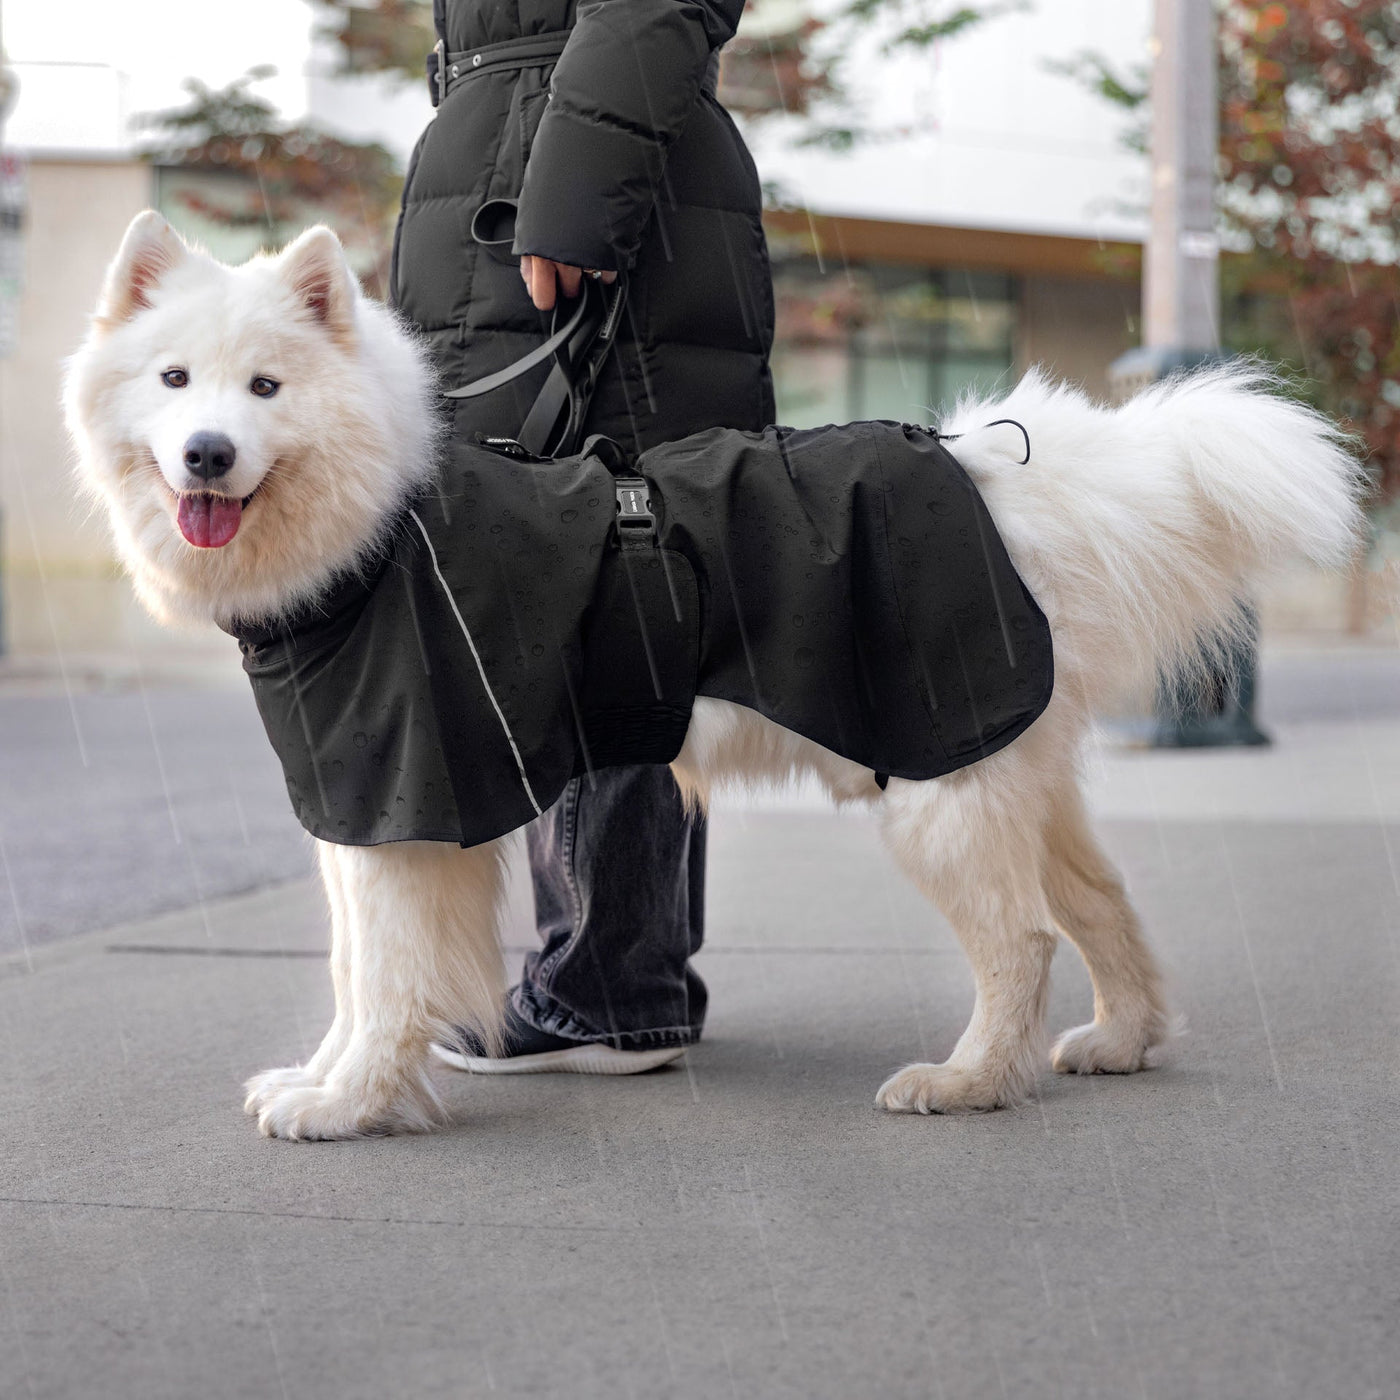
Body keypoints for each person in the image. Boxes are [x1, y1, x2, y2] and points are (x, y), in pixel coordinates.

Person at [391, 0, 775, 1071]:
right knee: (582, 578)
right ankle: (611, 973)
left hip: (564, 177)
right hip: (530, 158)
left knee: (604, 584)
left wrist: (569, 190)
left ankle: (609, 980)